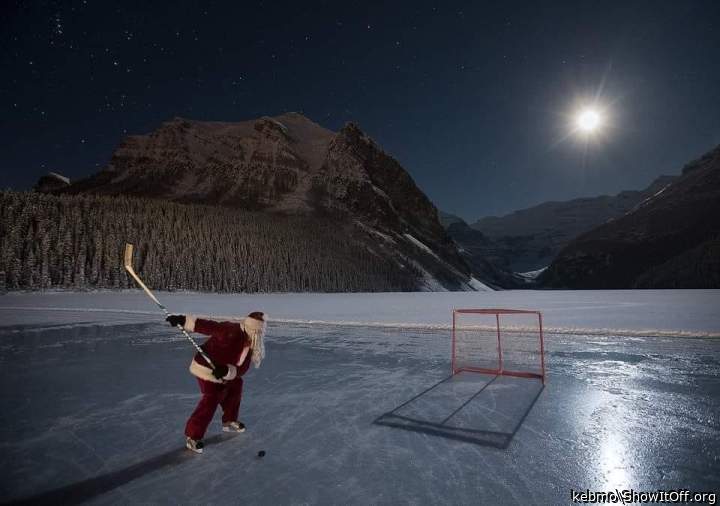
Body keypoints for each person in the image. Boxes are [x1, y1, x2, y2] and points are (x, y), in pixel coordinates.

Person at [165, 311, 267, 454]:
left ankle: (229, 420)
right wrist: (182, 320)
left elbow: (242, 368)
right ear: (250, 327)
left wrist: (226, 371)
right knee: (212, 398)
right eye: (256, 331)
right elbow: (208, 326)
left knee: (236, 386)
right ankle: (192, 436)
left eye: (259, 332)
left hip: (223, 371)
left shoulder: (250, 344)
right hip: (205, 368)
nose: (257, 335)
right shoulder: (231, 330)